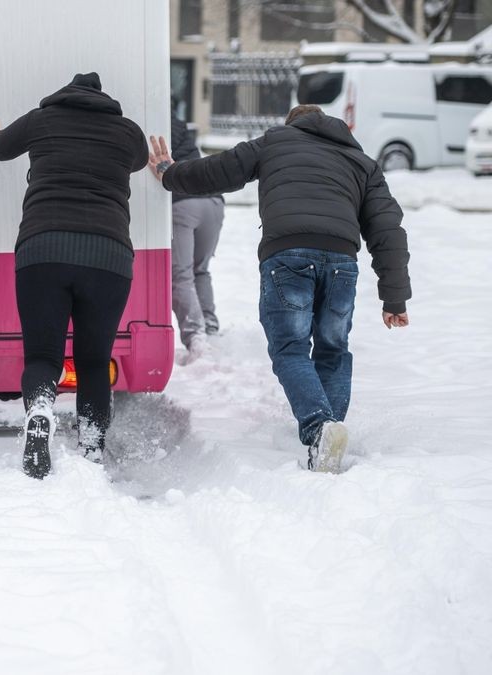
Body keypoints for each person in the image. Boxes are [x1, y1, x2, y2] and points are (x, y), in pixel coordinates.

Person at [148, 104, 411, 472]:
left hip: (288, 257)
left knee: (290, 349)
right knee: (334, 350)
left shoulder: (277, 141)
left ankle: (321, 429)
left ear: (293, 124)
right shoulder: (361, 161)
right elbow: (388, 231)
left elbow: (221, 169)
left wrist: (169, 173)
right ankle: (330, 433)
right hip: (341, 264)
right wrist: (394, 296)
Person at [0, 72, 148, 479]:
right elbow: (139, 161)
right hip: (109, 256)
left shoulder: (41, 120)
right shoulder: (127, 132)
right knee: (92, 360)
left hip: (43, 250)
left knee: (42, 356)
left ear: (62, 95)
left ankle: (39, 410)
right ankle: (91, 447)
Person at [167, 106, 225, 362]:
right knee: (200, 269)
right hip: (213, 201)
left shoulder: (151, 122)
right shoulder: (178, 124)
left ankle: (196, 338)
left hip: (182, 204)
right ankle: (210, 329)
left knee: (180, 275)